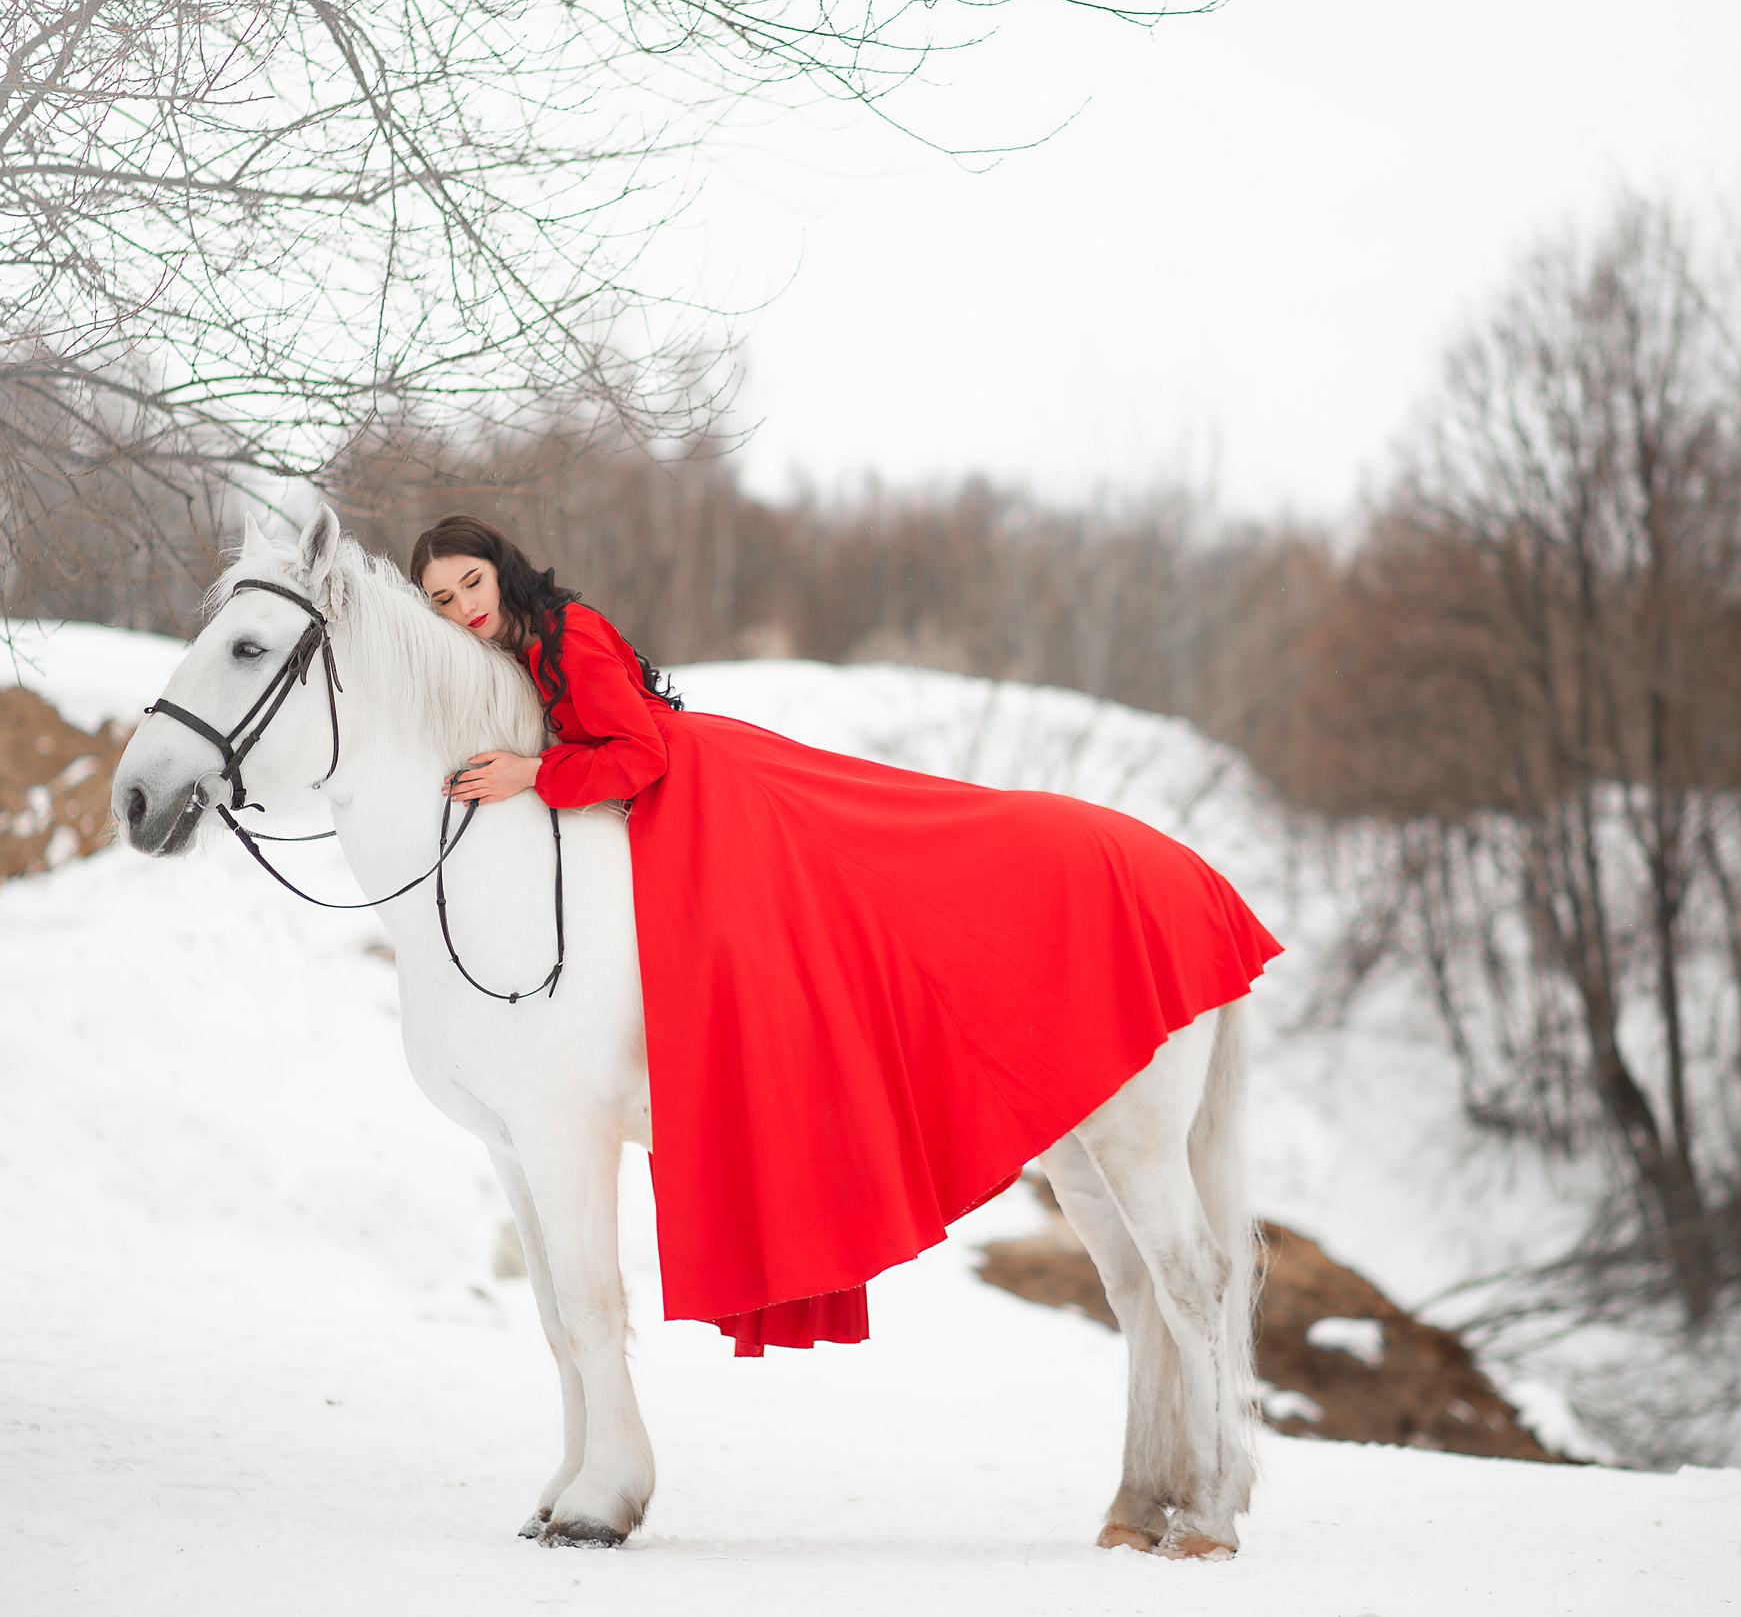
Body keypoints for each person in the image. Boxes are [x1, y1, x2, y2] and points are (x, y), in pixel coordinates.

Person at [409, 515, 1282, 1355]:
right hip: (684, 797)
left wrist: (532, 773)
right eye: (441, 599)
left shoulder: (565, 634)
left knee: (805, 913)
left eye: (471, 582)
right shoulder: (517, 650)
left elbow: (637, 752)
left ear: (502, 568)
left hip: (704, 787)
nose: (463, 607)